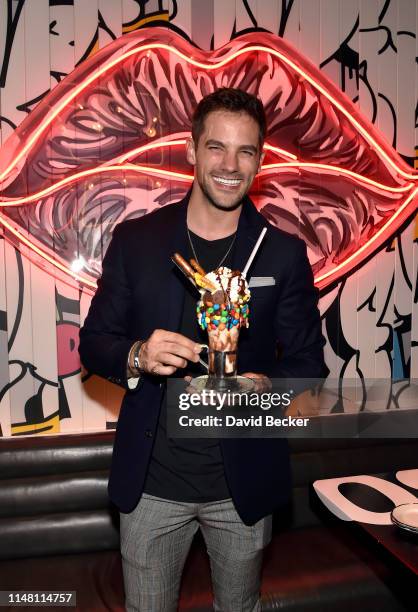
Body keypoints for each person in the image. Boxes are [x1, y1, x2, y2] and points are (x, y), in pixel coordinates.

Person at [79, 87, 328, 612]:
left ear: (260, 159)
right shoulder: (136, 241)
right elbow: (94, 343)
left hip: (242, 487)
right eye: (216, 147)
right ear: (192, 151)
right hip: (151, 485)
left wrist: (268, 389)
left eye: (246, 151)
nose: (230, 165)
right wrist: (138, 355)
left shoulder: (282, 254)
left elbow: (309, 363)